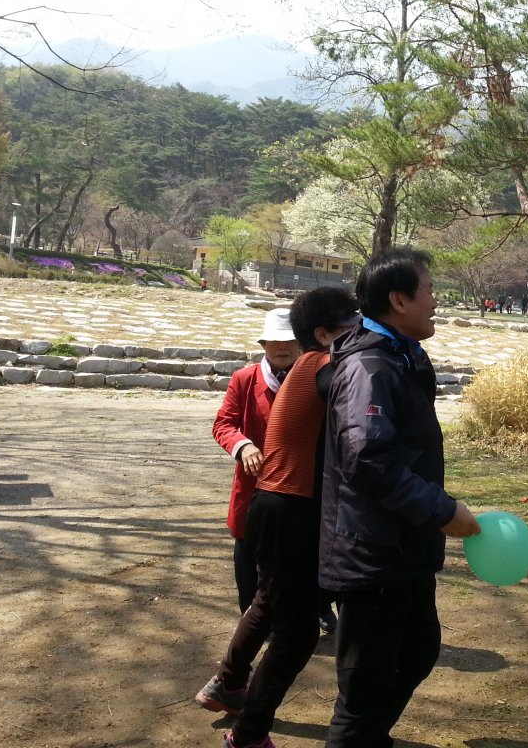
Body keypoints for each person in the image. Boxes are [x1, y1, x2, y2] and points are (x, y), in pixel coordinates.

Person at [319, 248, 482, 748]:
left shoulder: (401, 355)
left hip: (403, 546)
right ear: (399, 300)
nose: (435, 301)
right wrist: (442, 510)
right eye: (428, 290)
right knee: (364, 690)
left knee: (417, 649)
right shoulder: (370, 366)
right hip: (371, 554)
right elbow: (368, 459)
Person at [198, 287, 360, 748]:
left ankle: (228, 683)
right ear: (325, 334)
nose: (360, 332)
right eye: (352, 325)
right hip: (290, 511)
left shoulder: (310, 365)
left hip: (278, 506)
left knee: (268, 603)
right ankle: (247, 736)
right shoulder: (325, 367)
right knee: (297, 633)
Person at [210, 308, 299, 614]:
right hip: (253, 484)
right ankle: (250, 616)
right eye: (275, 342)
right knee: (247, 553)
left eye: (289, 341)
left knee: (297, 555)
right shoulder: (245, 379)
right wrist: (243, 446)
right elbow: (223, 424)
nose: (283, 347)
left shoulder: (313, 378)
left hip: (298, 484)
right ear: (263, 345)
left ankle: (315, 609)